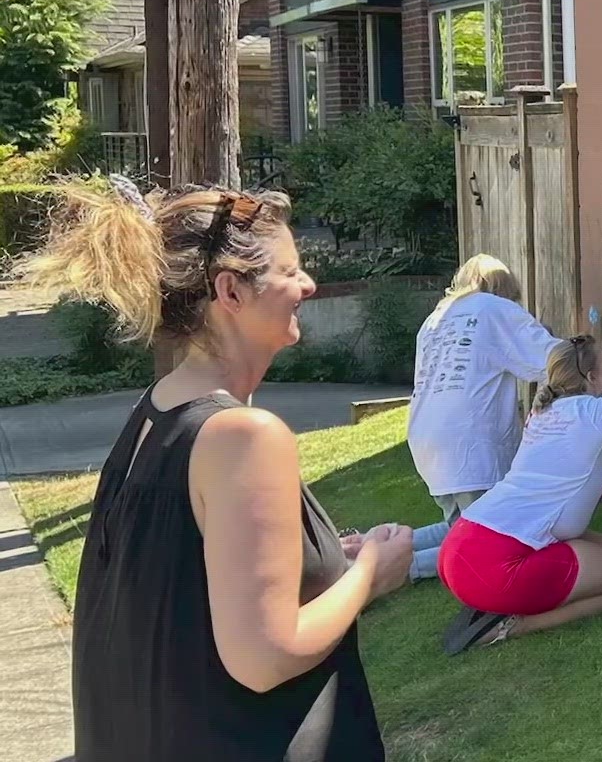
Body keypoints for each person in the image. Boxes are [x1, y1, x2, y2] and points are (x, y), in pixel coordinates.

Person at [19, 177, 412, 760]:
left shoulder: (156, 410)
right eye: (288, 272)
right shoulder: (242, 436)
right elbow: (264, 657)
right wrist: (370, 573)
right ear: (230, 290)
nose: (307, 284)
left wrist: (323, 562)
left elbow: (187, 594)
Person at [437, 292, 602, 654]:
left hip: (462, 546)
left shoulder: (550, 406)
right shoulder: (594, 415)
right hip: (495, 565)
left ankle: (496, 606)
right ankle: (510, 626)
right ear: (592, 377)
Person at [406, 254, 602, 582]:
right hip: (470, 445)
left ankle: (373, 548)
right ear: (506, 289)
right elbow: (565, 365)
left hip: (426, 441)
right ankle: (393, 569)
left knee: (461, 528)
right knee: (480, 543)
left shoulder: (435, 319)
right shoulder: (494, 309)